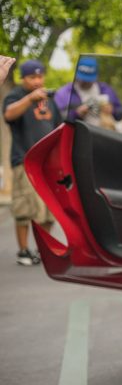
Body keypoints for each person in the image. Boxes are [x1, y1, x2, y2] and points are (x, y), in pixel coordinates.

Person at [3, 60, 61, 266]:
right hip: (25, 161)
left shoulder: (50, 99)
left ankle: (41, 249)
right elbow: (8, 114)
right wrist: (29, 99)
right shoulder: (16, 95)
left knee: (47, 211)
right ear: (23, 78)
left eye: (40, 76)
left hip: (48, 164)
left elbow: (59, 127)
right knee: (25, 210)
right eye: (32, 77)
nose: (37, 81)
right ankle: (23, 251)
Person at [54, 56, 122, 129]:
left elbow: (121, 113)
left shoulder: (106, 89)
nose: (85, 82)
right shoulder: (64, 93)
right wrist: (76, 114)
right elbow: (56, 118)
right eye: (82, 79)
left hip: (104, 135)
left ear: (96, 76)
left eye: (89, 80)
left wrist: (113, 110)